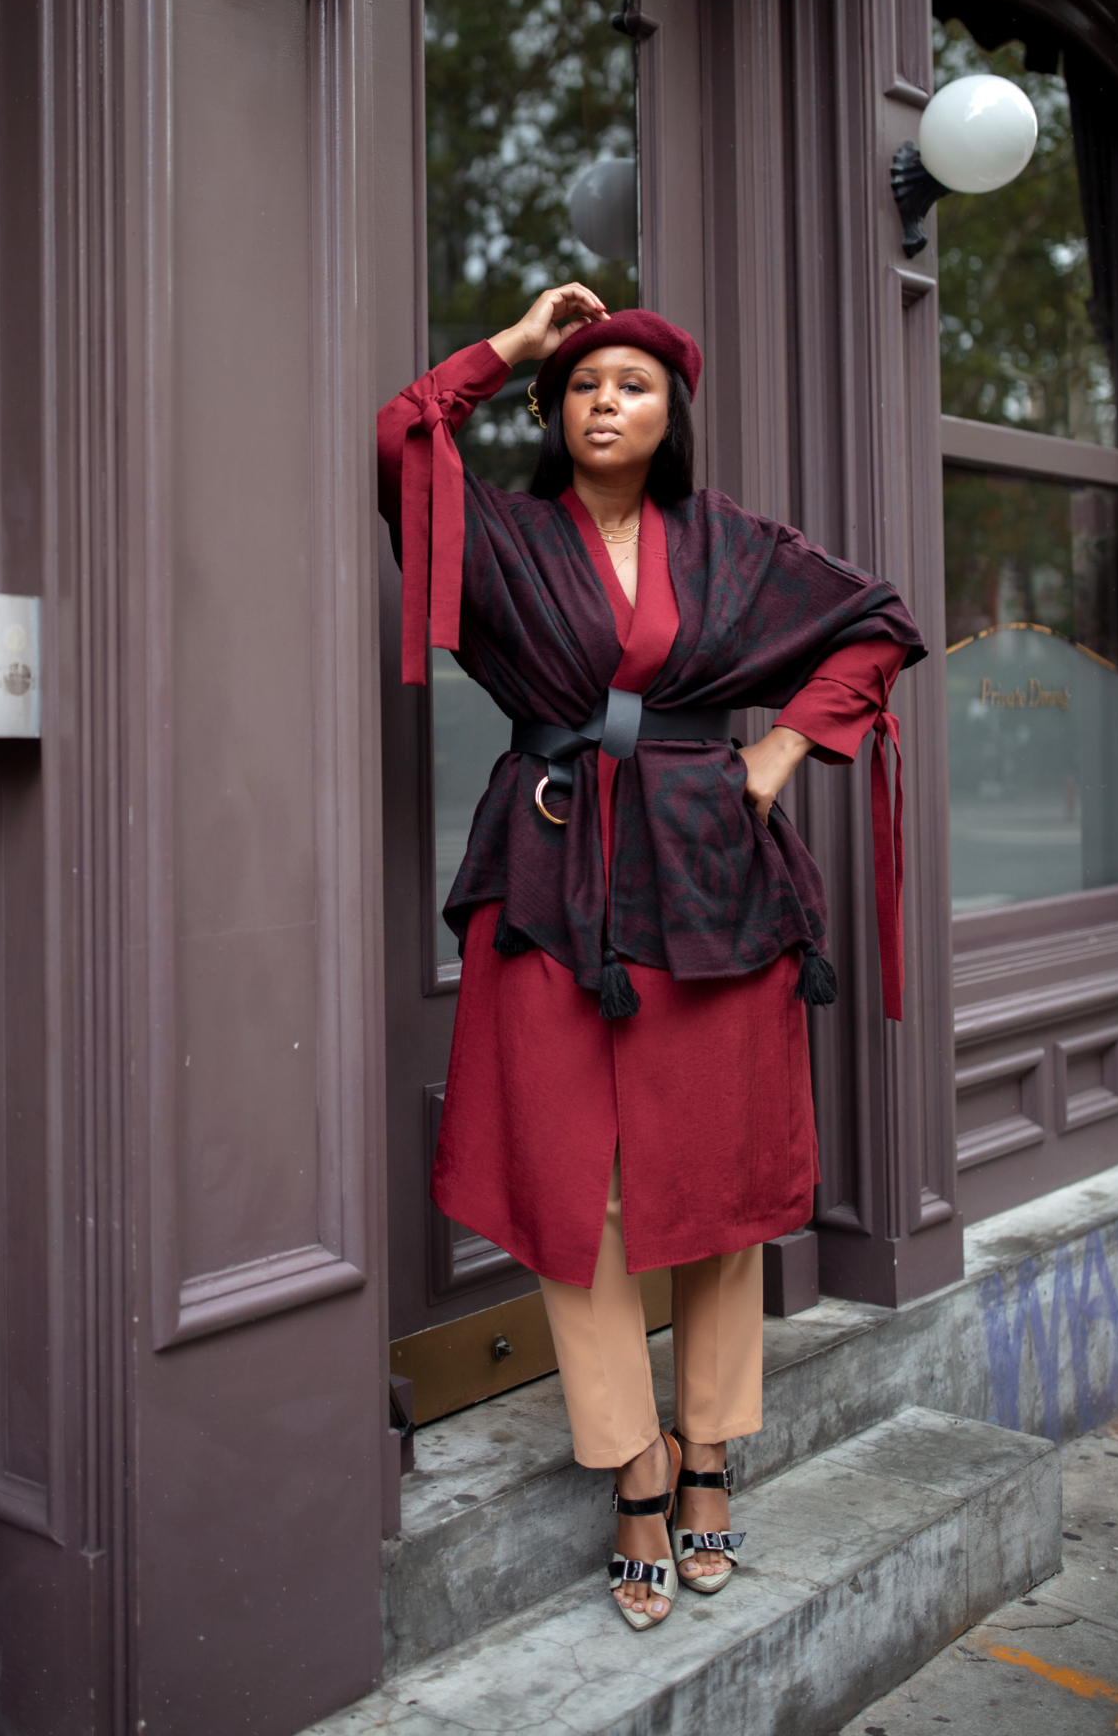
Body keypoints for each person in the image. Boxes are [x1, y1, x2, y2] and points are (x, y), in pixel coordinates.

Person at [377, 284, 925, 1631]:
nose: (605, 402)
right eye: (581, 384)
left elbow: (878, 623)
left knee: (716, 1180)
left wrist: (780, 753)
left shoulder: (730, 544)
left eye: (632, 384)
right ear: (554, 412)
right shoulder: (506, 539)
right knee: (584, 1188)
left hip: (709, 877)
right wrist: (507, 347)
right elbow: (402, 440)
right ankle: (636, 1464)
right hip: (552, 871)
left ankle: (713, 1454)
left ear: (672, 413)